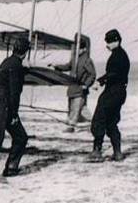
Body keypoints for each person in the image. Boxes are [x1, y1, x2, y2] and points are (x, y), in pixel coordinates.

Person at [0, 36, 30, 183]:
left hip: (0, 102)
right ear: (25, 52)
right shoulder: (16, 66)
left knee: (21, 137)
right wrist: (14, 114)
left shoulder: (8, 62)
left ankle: (11, 168)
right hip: (4, 105)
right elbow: (14, 92)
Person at [89, 29, 130, 161]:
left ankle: (97, 151)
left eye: (109, 42)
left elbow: (113, 74)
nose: (107, 45)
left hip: (113, 91)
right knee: (111, 122)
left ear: (116, 41)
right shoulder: (122, 55)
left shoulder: (117, 56)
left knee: (99, 118)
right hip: (121, 92)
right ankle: (117, 152)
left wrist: (100, 81)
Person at [53, 33, 96, 132]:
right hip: (73, 88)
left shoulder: (87, 60)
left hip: (80, 89)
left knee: (76, 109)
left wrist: (86, 85)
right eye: (77, 47)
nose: (78, 50)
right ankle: (95, 123)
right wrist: (57, 66)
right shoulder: (75, 59)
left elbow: (92, 74)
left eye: (80, 48)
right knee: (82, 109)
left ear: (84, 49)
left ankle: (71, 126)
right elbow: (68, 66)